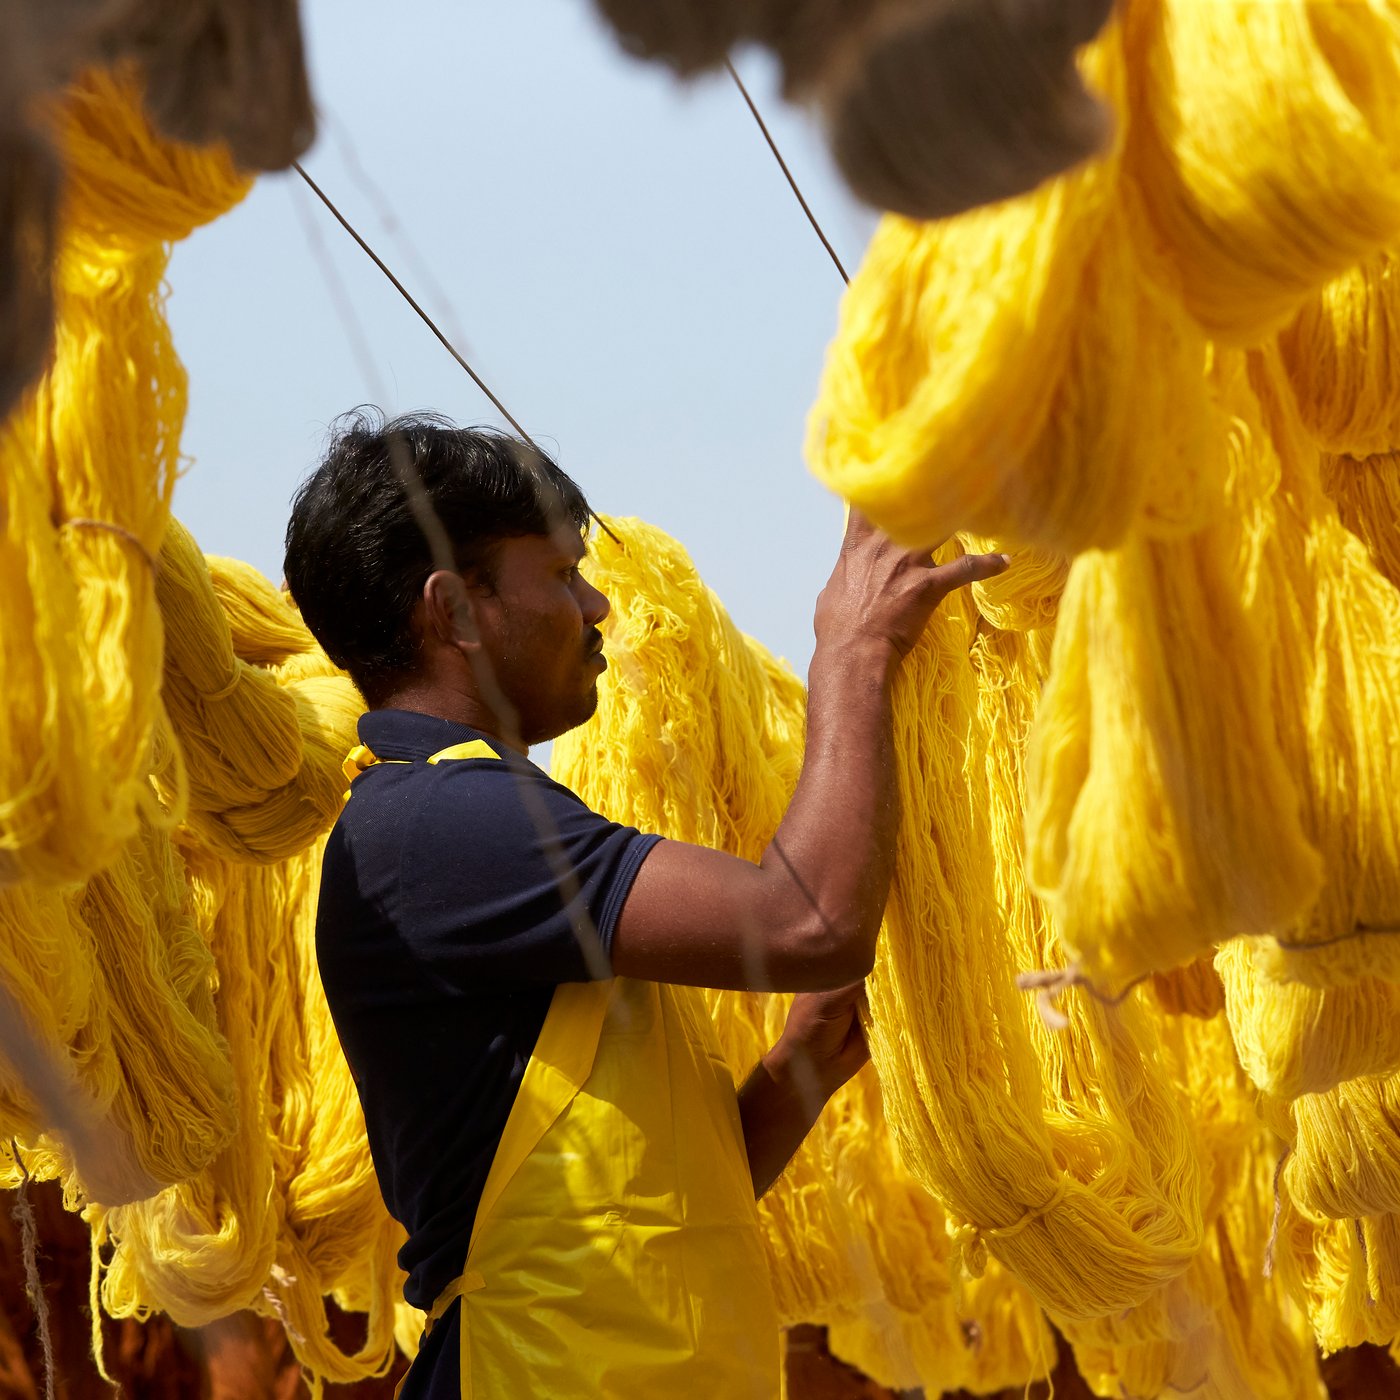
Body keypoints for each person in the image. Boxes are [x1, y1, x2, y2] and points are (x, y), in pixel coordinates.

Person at [283, 410, 1008, 1400]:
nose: (596, 606)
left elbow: (634, 1206)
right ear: (453, 611)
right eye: (561, 574)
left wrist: (794, 1071)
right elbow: (807, 921)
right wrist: (852, 646)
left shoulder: (471, 820)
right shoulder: (439, 823)